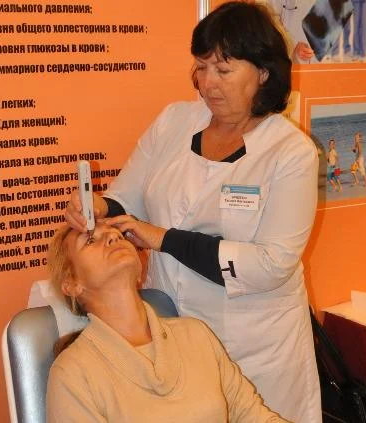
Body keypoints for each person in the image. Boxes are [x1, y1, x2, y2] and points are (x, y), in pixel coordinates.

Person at [64, 2, 321, 422]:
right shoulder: (175, 122)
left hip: (255, 347)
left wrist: (164, 239)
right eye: (202, 67)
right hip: (174, 330)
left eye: (224, 69)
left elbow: (271, 264)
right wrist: (100, 206)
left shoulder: (290, 153)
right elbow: (127, 198)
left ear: (263, 72)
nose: (208, 83)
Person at [46, 222, 290, 422]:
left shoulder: (196, 335)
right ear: (72, 284)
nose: (112, 236)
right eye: (90, 240)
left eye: (117, 233)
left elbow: (253, 416)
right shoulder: (73, 373)